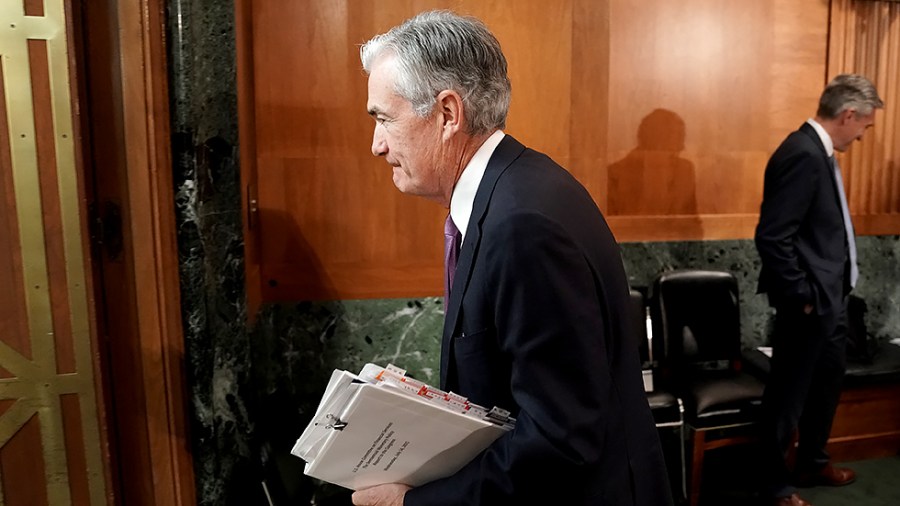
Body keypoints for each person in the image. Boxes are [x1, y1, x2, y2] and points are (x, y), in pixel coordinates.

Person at [352, 10, 673, 506]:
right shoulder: (518, 186)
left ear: (447, 114)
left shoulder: (523, 225)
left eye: (384, 119)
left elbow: (561, 439)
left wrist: (410, 503)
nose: (376, 145)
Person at [755, 74, 883, 506]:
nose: (864, 135)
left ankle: (811, 461)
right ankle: (773, 485)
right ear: (848, 115)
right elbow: (773, 236)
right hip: (809, 304)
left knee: (826, 386)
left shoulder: (820, 154)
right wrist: (801, 297)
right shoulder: (802, 154)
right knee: (787, 398)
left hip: (832, 301)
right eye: (865, 125)